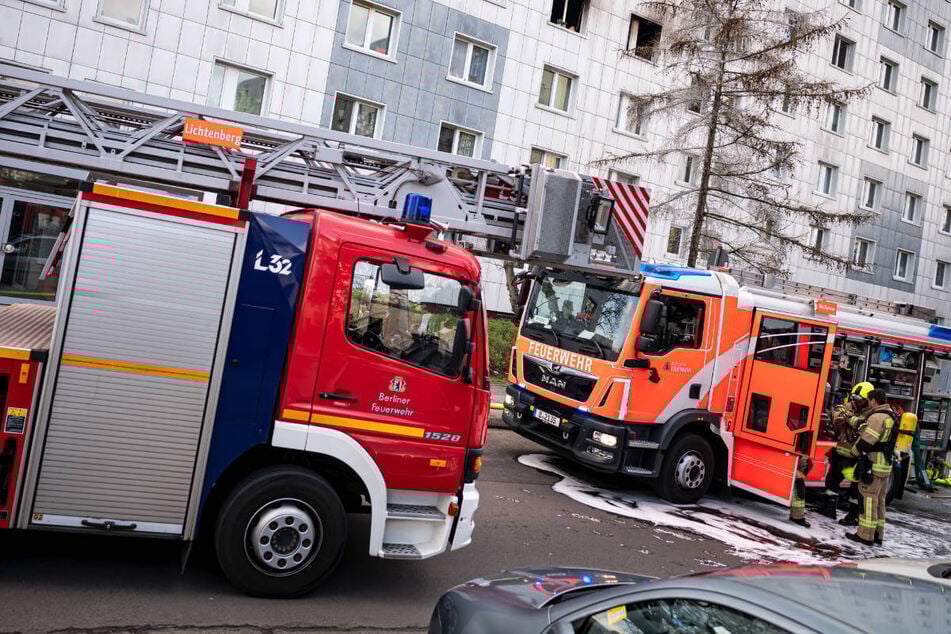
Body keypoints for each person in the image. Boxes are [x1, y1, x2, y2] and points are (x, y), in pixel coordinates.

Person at [845, 388, 898, 547]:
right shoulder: (891, 415)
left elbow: (867, 441)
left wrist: (853, 453)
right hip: (885, 465)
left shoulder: (877, 417)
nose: (868, 403)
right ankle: (877, 534)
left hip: (874, 464)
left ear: (874, 401)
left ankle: (865, 535)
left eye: (869, 400)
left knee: (868, 498)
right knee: (879, 500)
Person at [817, 382, 873, 521]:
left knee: (856, 488)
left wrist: (848, 418)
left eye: (859, 399)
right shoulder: (850, 405)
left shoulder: (872, 414)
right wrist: (844, 416)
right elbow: (837, 413)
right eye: (853, 397)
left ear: (868, 400)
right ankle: (829, 509)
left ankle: (853, 516)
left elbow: (861, 425)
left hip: (856, 456)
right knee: (832, 481)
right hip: (841, 452)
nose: (855, 401)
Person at [789, 455, 812, 527]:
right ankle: (798, 517)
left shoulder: (799, 474)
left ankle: (796, 516)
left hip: (800, 461)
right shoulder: (799, 477)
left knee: (797, 495)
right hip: (800, 462)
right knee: (798, 497)